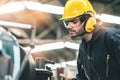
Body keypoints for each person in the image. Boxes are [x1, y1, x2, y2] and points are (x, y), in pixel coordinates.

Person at [59, 0, 120, 80]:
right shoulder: (83, 48)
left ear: (89, 20)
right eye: (67, 22)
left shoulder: (112, 38)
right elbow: (82, 77)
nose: (69, 26)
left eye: (74, 21)